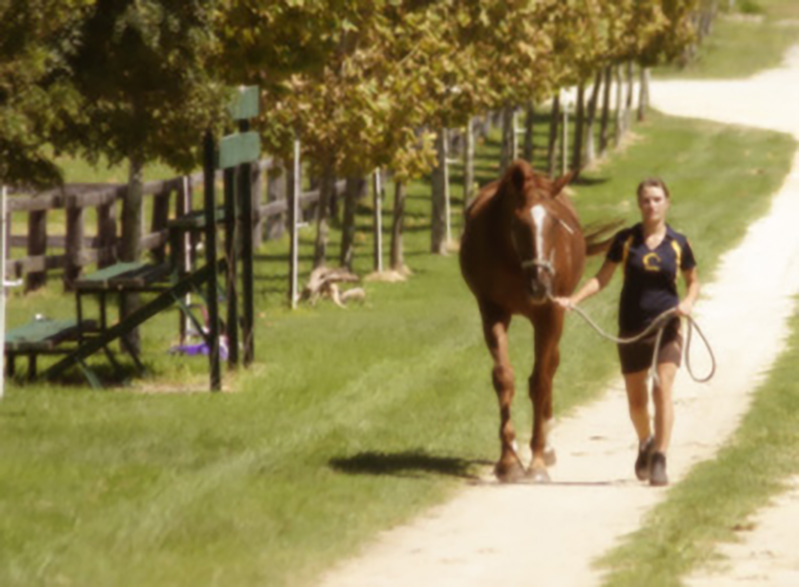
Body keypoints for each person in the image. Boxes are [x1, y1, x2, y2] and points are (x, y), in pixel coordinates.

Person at [553, 178, 700, 486]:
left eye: (657, 199)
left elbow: (693, 281)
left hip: (667, 326)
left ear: (667, 203)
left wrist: (687, 302)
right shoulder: (626, 240)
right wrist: (573, 300)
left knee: (661, 388)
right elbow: (601, 279)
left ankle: (660, 456)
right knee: (636, 402)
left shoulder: (678, 242)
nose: (652, 205)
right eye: (646, 200)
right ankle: (645, 440)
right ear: (639, 204)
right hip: (631, 327)